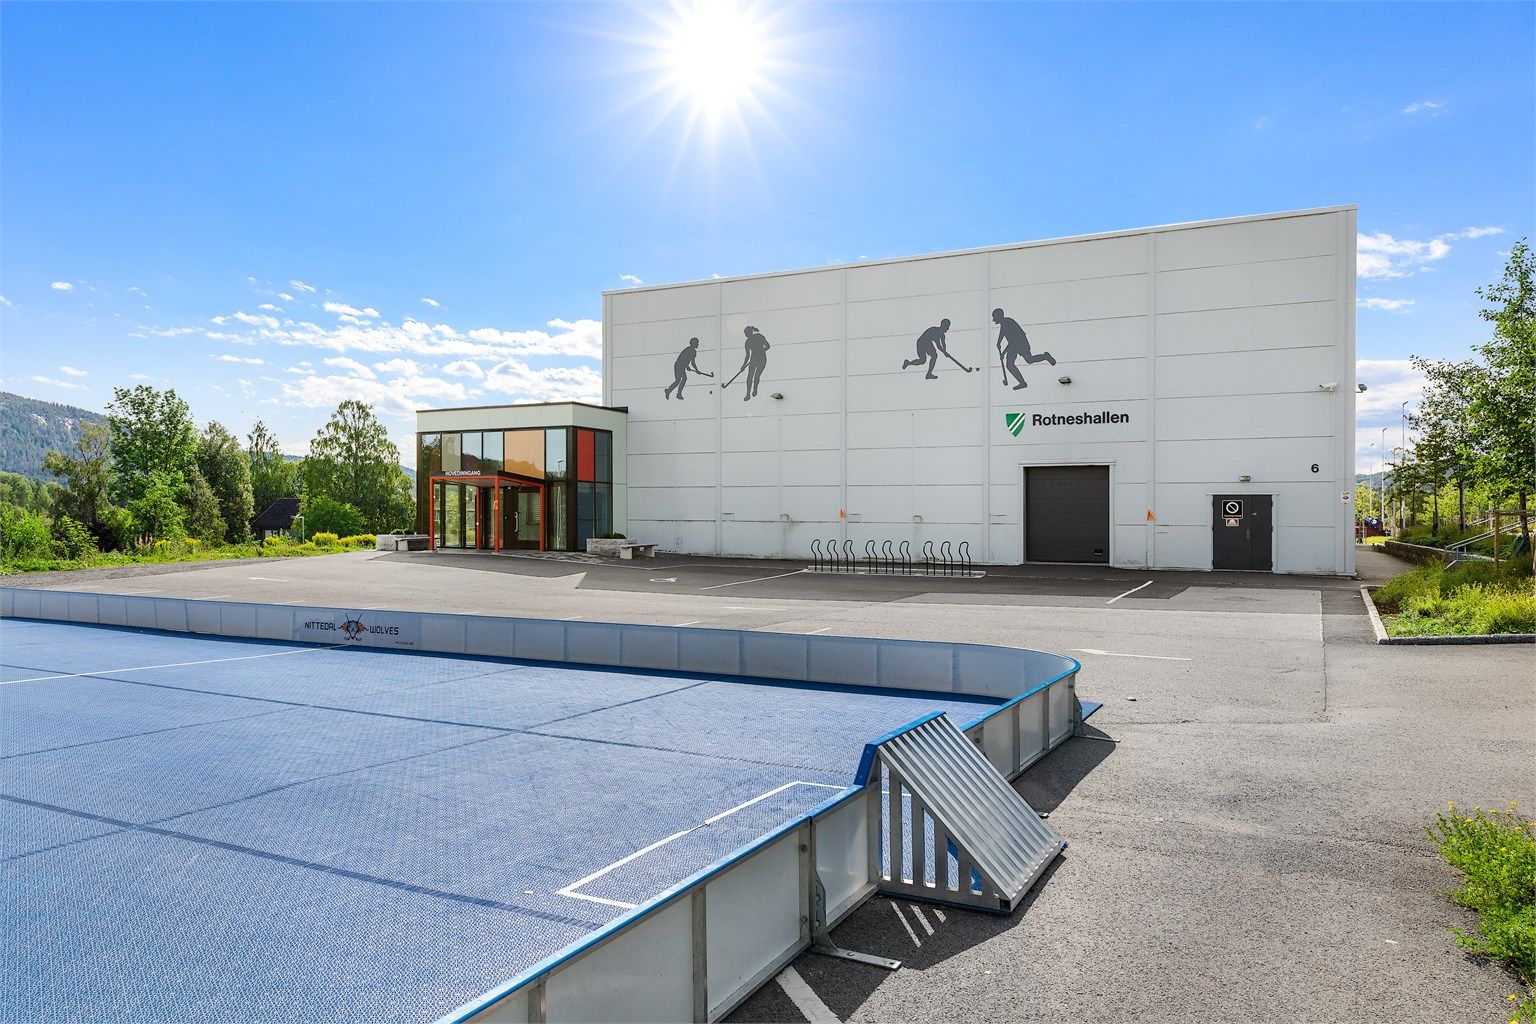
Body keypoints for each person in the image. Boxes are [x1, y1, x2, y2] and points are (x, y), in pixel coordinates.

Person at [992, 308, 1054, 390]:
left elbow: (1012, 342)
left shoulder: (1008, 323)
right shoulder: (1004, 323)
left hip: (1020, 343)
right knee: (1009, 364)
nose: (993, 319)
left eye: (994, 317)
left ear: (999, 316)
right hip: (1014, 345)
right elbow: (1002, 333)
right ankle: (1022, 383)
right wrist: (999, 342)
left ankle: (1045, 356)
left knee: (1029, 360)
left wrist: (1003, 353)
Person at [902, 318, 972, 378]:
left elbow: (943, 344)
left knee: (933, 356)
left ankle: (927, 373)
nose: (948, 328)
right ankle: (909, 364)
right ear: (943, 326)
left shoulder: (942, 335)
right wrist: (945, 353)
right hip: (921, 343)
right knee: (923, 360)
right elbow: (938, 346)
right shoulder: (935, 331)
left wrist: (945, 352)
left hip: (928, 343)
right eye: (947, 326)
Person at [741, 325, 770, 401]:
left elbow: (768, 346)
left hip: (762, 359)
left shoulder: (759, 336)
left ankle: (755, 389)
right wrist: (743, 366)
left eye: (746, 333)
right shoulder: (747, 342)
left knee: (756, 376)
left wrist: (761, 351)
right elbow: (747, 356)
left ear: (749, 332)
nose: (745, 335)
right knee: (749, 377)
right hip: (753, 360)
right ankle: (748, 394)